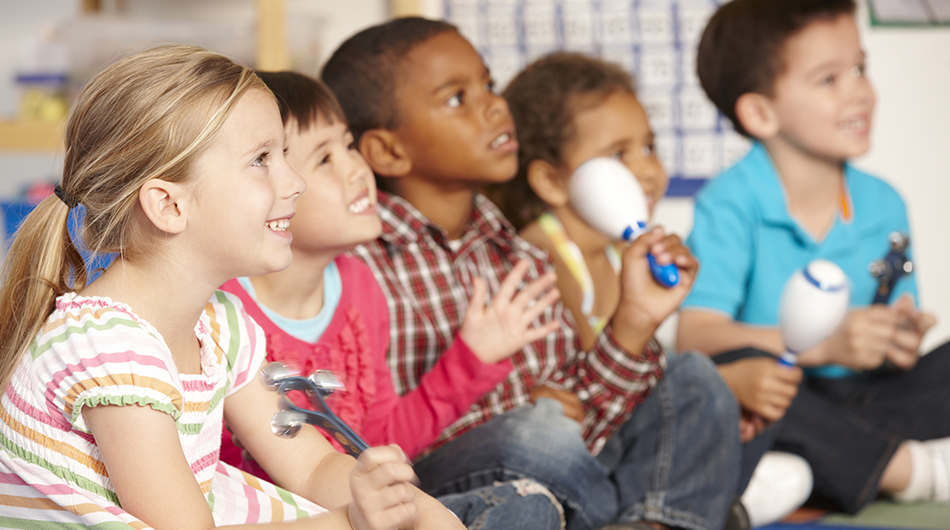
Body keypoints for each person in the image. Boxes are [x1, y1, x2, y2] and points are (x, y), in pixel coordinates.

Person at [0, 45, 465, 530]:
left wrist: (415, 508)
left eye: (284, 154)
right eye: (262, 159)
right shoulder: (107, 350)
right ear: (169, 206)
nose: (296, 181)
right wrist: (355, 523)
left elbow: (310, 466)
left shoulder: (218, 324)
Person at [323, 18, 748, 530]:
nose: (494, 105)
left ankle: (653, 518)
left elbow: (584, 421)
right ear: (389, 151)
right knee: (537, 432)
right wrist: (525, 413)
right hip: (450, 490)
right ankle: (679, 510)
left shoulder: (517, 254)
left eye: (488, 85)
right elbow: (371, 443)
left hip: (563, 473)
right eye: (457, 97)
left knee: (694, 380)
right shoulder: (358, 264)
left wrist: (634, 320)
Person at [218, 70, 564, 530]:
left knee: (526, 504)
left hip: (357, 507)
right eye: (324, 159)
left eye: (348, 145)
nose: (357, 169)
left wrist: (471, 360)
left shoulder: (359, 286)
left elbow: (376, 443)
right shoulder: (222, 308)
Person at [488, 50, 812, 528]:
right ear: (552, 181)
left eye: (649, 146)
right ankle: (710, 505)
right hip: (579, 452)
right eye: (619, 154)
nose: (646, 169)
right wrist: (721, 387)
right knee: (702, 378)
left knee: (745, 388)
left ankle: (708, 499)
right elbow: (592, 392)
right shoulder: (544, 255)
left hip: (622, 439)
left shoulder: (620, 253)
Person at [678, 0, 950, 515]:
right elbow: (697, 337)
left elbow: (900, 332)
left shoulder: (883, 202)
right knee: (732, 373)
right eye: (829, 80)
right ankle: (905, 471)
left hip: (866, 402)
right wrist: (823, 346)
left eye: (860, 69)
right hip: (781, 402)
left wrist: (900, 339)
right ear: (760, 112)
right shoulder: (731, 202)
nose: (860, 92)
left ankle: (812, 471)